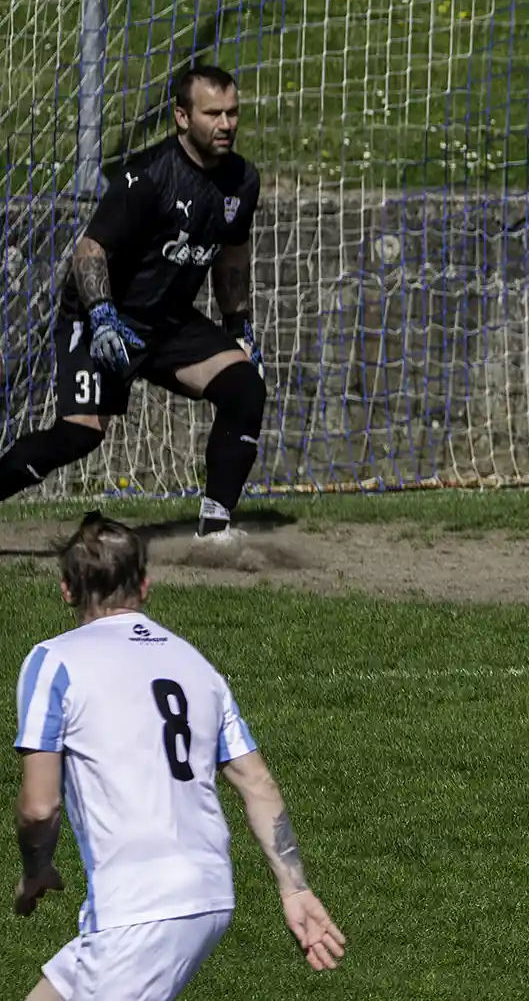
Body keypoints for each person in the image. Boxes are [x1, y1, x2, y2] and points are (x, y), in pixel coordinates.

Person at [13, 513, 345, 1000]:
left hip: (139, 908)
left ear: (66, 590)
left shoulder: (52, 661)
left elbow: (39, 806)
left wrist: (36, 867)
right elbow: (257, 783)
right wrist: (294, 888)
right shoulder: (196, 665)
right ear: (144, 586)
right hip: (206, 892)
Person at [0, 66, 266, 537]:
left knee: (245, 387)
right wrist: (102, 315)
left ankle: (214, 529)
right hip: (102, 317)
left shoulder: (242, 181)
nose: (226, 124)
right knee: (80, 434)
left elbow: (233, 253)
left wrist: (238, 325)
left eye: (232, 113)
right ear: (182, 117)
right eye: (212, 114)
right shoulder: (146, 176)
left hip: (167, 324)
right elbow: (90, 251)